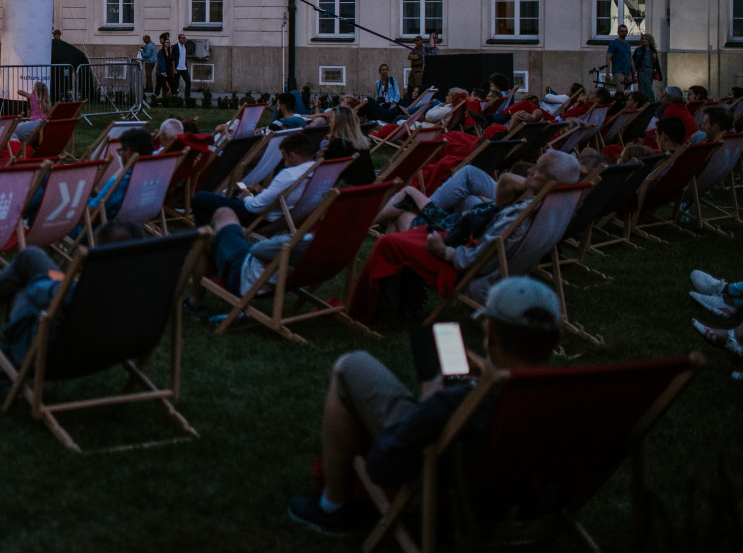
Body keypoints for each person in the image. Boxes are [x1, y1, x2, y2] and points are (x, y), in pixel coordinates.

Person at [287, 276, 563, 536]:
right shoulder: (564, 398)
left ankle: (331, 506)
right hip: (520, 494)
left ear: (491, 337)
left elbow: (382, 465)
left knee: (351, 365)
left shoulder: (450, 403)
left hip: (446, 485)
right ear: (556, 342)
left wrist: (430, 399)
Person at [347, 150, 581, 322]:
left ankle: (382, 309)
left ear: (551, 183)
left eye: (536, 170)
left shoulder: (520, 219)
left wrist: (444, 251)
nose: (529, 170)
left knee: (391, 241)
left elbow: (477, 259)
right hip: (479, 250)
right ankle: (399, 305)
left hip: (465, 265)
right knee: (407, 221)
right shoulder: (554, 210)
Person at [0, 220, 147, 387]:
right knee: (31, 256)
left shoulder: (87, 290)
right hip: (113, 343)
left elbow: (39, 293)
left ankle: (4, 365)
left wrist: (51, 282)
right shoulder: (143, 288)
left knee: (22, 281)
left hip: (56, 347)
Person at [191, 131, 315, 228]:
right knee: (236, 192)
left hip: (261, 219)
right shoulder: (316, 169)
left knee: (200, 197)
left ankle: (208, 238)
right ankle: (227, 227)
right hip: (287, 216)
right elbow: (289, 196)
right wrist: (263, 192)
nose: (286, 164)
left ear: (293, 156)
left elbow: (255, 207)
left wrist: (247, 198)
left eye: (285, 159)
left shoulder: (289, 174)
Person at [319, 105, 377, 186]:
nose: (329, 123)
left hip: (346, 191)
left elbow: (325, 174)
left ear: (336, 123)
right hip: (367, 191)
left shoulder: (338, 145)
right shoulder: (362, 143)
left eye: (331, 120)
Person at [633, 32, 662, 100]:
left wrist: (654, 58)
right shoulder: (639, 50)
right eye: (642, 39)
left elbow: (655, 63)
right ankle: (645, 100)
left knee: (648, 86)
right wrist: (634, 73)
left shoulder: (653, 50)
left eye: (646, 39)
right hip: (641, 71)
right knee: (643, 87)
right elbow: (634, 61)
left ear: (649, 40)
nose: (644, 40)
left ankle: (650, 101)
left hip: (650, 71)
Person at [605, 23, 633, 92]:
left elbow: (630, 59)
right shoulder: (614, 43)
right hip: (618, 70)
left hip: (627, 71)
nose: (624, 33)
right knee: (620, 90)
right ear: (618, 32)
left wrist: (634, 73)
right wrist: (607, 73)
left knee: (626, 91)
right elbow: (608, 58)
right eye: (622, 31)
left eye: (625, 31)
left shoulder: (627, 44)